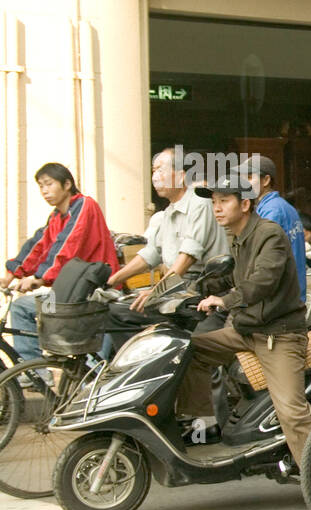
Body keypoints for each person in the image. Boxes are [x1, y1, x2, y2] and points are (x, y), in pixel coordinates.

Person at [176, 177, 311, 508]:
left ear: (244, 204)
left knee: (292, 410)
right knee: (191, 350)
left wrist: (225, 300)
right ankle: (204, 428)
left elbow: (262, 282)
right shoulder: (238, 237)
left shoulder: (269, 234)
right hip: (246, 330)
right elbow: (234, 276)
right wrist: (193, 291)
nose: (217, 208)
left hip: (279, 335)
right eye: (213, 203)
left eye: (223, 201)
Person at [2, 162, 118, 361]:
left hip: (94, 294)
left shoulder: (84, 205)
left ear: (67, 184)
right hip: (69, 296)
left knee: (89, 373)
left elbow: (67, 246)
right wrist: (11, 274)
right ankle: (34, 372)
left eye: (49, 184)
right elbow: (38, 246)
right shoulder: (56, 217)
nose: (45, 191)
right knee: (23, 308)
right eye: (41, 186)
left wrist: (39, 279)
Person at [108, 147, 228, 309]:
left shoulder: (200, 203)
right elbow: (150, 254)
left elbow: (186, 259)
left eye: (161, 170)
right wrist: (112, 280)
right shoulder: (169, 211)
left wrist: (157, 291)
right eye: (154, 171)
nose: (155, 177)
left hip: (200, 287)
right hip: (178, 283)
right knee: (115, 304)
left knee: (126, 311)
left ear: (181, 176)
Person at [240, 155, 307, 302]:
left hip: (280, 298)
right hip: (291, 293)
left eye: (250, 177)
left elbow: (262, 257)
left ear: (266, 180)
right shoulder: (281, 206)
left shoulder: (272, 211)